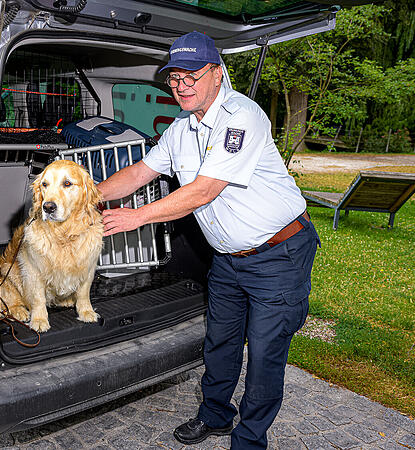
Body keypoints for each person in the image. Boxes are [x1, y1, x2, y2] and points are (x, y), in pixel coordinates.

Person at [96, 31, 319, 449]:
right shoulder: (180, 130)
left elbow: (202, 191)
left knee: (265, 354)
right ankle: (216, 416)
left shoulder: (243, 116)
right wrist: (84, 194)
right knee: (220, 340)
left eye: (191, 76)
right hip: (228, 258)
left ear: (217, 73)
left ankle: (249, 440)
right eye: (174, 78)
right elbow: (139, 173)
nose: (181, 86)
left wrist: (135, 217)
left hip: (278, 253)